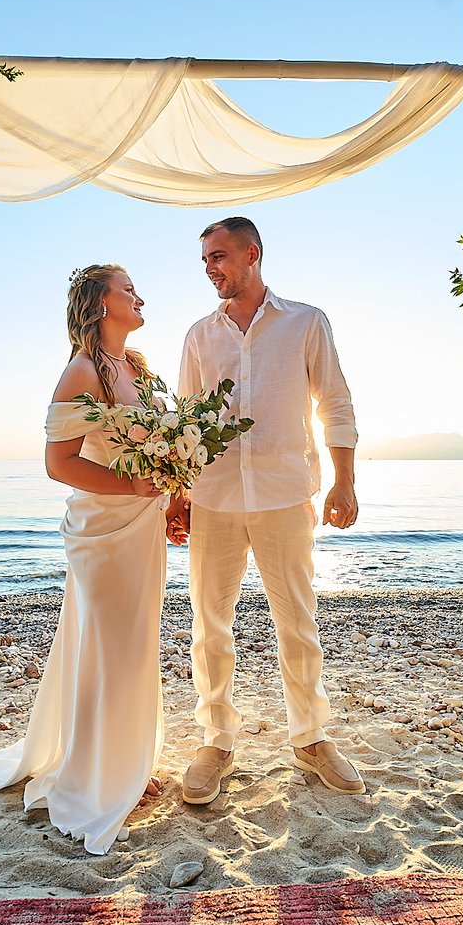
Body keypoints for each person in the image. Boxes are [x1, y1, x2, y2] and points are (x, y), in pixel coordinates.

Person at [0, 264, 172, 853]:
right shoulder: (82, 372)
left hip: (141, 527)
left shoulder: (137, 370)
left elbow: (154, 451)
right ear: (99, 304)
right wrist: (139, 489)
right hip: (103, 530)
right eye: (128, 289)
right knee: (107, 647)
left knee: (135, 644)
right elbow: (60, 463)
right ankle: (95, 778)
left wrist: (174, 491)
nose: (139, 295)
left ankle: (127, 761)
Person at [169, 216, 364, 806]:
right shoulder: (199, 336)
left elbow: (334, 399)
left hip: (285, 494)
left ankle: (310, 737)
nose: (211, 268)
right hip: (214, 498)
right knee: (210, 627)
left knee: (298, 624)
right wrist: (176, 497)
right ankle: (216, 740)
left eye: (220, 256)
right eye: (205, 259)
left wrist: (344, 481)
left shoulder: (306, 322)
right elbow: (183, 421)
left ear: (252, 254)